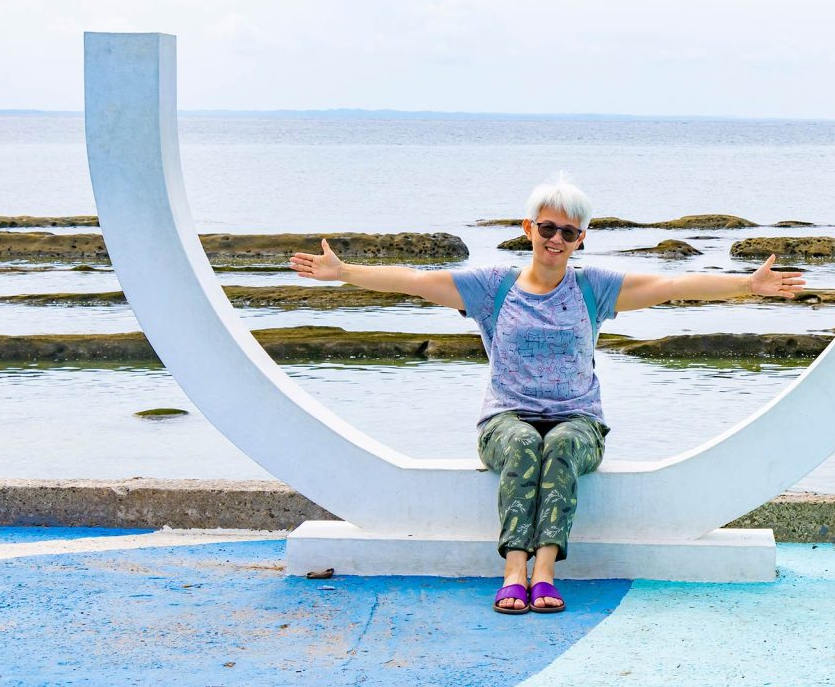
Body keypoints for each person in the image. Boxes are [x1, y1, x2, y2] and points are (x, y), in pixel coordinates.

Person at [289, 175, 805, 615]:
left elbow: (672, 284)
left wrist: (745, 286)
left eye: (568, 231)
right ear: (528, 229)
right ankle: (514, 566)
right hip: (504, 420)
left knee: (557, 445)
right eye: (547, 227)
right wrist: (344, 274)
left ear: (580, 238)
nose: (555, 239)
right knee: (521, 445)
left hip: (579, 421)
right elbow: (417, 280)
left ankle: (544, 569)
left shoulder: (593, 289)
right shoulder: (492, 288)